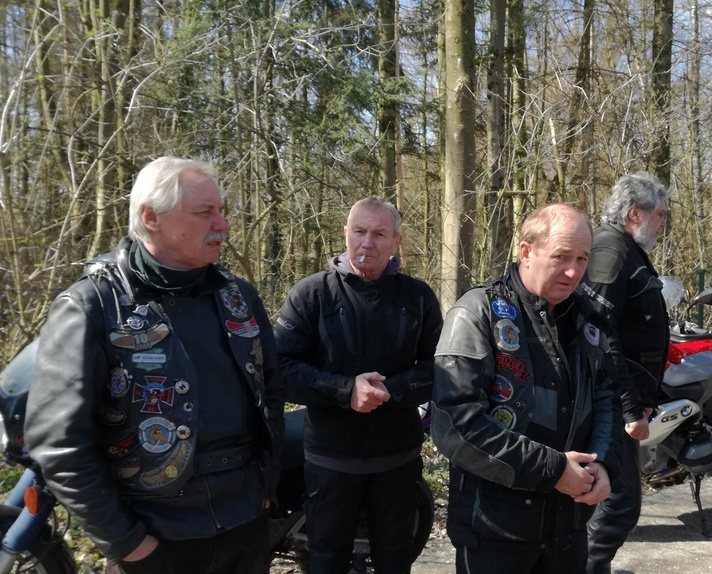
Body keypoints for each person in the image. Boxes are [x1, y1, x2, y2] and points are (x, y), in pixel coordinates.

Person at [24, 157, 284, 574]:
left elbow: (270, 391)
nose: (222, 225)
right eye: (205, 212)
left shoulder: (238, 297)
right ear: (151, 217)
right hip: (156, 538)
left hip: (246, 525)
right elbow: (59, 442)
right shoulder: (93, 305)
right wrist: (126, 542)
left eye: (221, 211)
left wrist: (265, 486)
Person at [431, 203, 621, 574]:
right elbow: (454, 424)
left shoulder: (589, 320)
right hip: (494, 530)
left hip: (568, 527)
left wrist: (604, 462)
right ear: (526, 252)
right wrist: (554, 470)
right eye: (561, 256)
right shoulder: (477, 313)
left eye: (582, 259)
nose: (573, 271)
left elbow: (607, 399)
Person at [275, 196, 442, 574]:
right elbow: (280, 371)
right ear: (345, 234)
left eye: (379, 234)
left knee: (395, 560)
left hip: (398, 460)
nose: (368, 242)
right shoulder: (311, 294)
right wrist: (344, 390)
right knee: (325, 561)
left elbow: (439, 368)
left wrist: (394, 391)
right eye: (360, 231)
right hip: (329, 461)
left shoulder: (418, 297)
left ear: (397, 241)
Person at [579, 173, 669, 574]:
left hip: (621, 397)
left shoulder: (627, 249)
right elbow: (599, 334)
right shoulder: (610, 251)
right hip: (609, 400)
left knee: (611, 498)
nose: (664, 222)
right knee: (619, 503)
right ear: (635, 213)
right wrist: (631, 406)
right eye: (660, 214)